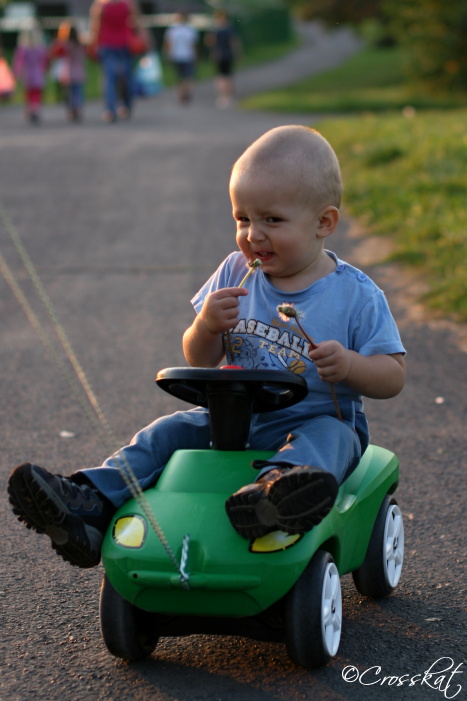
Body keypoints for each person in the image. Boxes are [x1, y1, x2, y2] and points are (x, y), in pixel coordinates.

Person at [8, 125, 406, 568]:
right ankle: (91, 503)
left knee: (331, 437)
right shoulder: (235, 271)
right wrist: (206, 325)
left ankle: (277, 497)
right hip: (232, 415)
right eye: (243, 219)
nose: (253, 235)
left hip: (316, 419)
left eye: (272, 220)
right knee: (166, 432)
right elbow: (198, 358)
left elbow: (393, 376)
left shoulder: (355, 295)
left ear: (323, 223)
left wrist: (350, 365)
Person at [88, 0, 142, 122]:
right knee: (127, 77)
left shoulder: (100, 6)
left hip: (107, 44)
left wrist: (93, 44)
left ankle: (110, 110)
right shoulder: (128, 4)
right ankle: (126, 106)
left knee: (109, 79)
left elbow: (95, 27)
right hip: (125, 43)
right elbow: (137, 23)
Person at [13, 23, 49, 124]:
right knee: (36, 94)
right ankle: (35, 110)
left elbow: (19, 63)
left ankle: (30, 109)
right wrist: (44, 70)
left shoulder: (23, 49)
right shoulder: (41, 48)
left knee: (29, 94)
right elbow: (44, 61)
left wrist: (16, 73)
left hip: (28, 74)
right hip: (38, 73)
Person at [205, 10, 241, 108]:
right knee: (227, 76)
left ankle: (223, 96)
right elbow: (234, 41)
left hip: (220, 54)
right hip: (227, 54)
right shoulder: (229, 28)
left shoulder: (215, 29)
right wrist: (238, 53)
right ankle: (229, 96)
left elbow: (209, 42)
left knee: (221, 77)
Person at [163, 12, 198, 104]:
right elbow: (193, 45)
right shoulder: (190, 30)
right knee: (187, 77)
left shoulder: (172, 30)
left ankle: (180, 94)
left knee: (178, 77)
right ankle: (184, 93)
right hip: (187, 56)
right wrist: (196, 56)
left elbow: (168, 44)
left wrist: (167, 55)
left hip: (176, 56)